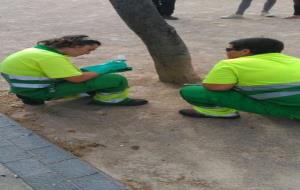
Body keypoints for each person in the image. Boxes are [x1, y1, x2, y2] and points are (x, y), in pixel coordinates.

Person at [0, 35, 148, 106]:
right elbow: (77, 79)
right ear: (76, 46)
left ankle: (30, 97)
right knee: (116, 79)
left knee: (88, 73)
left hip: (23, 87)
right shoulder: (52, 58)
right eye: (88, 49)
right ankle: (111, 101)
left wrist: (97, 70)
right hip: (42, 90)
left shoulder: (39, 51)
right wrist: (107, 69)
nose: (88, 53)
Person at [179, 37, 300, 120]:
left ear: (245, 51)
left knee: (191, 91)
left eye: (229, 49)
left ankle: (222, 113)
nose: (227, 52)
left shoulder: (230, 64)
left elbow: (213, 87)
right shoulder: (295, 61)